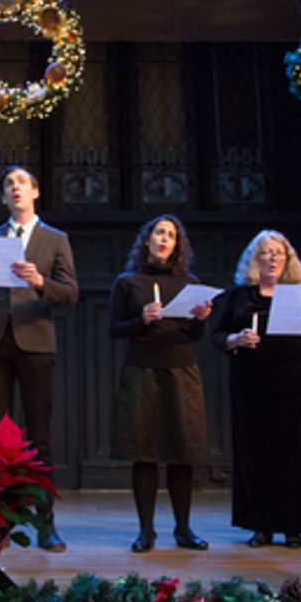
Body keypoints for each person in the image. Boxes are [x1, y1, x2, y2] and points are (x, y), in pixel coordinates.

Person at [0, 165, 78, 552]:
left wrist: (40, 282)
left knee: (38, 435)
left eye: (21, 183)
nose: (15, 189)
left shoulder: (55, 239)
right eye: (8, 185)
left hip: (35, 342)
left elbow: (71, 292)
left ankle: (46, 523)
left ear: (35, 192)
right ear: (3, 197)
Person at [107, 215, 214, 553]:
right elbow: (113, 329)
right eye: (159, 233)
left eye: (171, 235)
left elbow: (196, 336)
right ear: (147, 240)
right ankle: (146, 531)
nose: (164, 239)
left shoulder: (189, 281)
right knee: (145, 451)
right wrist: (142, 319)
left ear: (177, 245)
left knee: (182, 451)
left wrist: (200, 320)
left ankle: (183, 529)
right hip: (142, 371)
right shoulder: (129, 282)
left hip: (180, 370)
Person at [214, 231, 301, 549]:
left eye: (279, 253)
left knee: (294, 455)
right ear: (254, 259)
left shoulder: (300, 296)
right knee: (256, 454)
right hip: (251, 383)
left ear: (287, 260)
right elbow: (218, 335)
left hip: (291, 382)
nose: (273, 258)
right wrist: (236, 340)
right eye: (266, 252)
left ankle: (293, 526)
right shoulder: (239, 296)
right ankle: (260, 525)